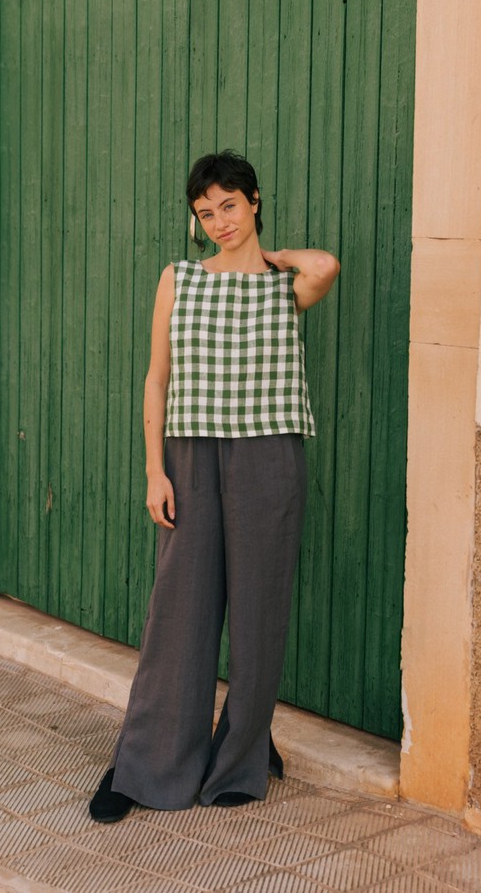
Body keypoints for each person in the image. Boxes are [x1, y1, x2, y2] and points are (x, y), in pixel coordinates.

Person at [89, 150, 340, 822]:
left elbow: (326, 267)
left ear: (254, 200)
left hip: (269, 455)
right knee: (181, 610)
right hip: (191, 455)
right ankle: (145, 763)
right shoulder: (180, 279)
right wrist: (153, 468)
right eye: (205, 212)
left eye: (229, 204)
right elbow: (156, 378)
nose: (219, 220)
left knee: (260, 612)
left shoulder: (283, 285)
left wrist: (272, 256)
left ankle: (242, 753)